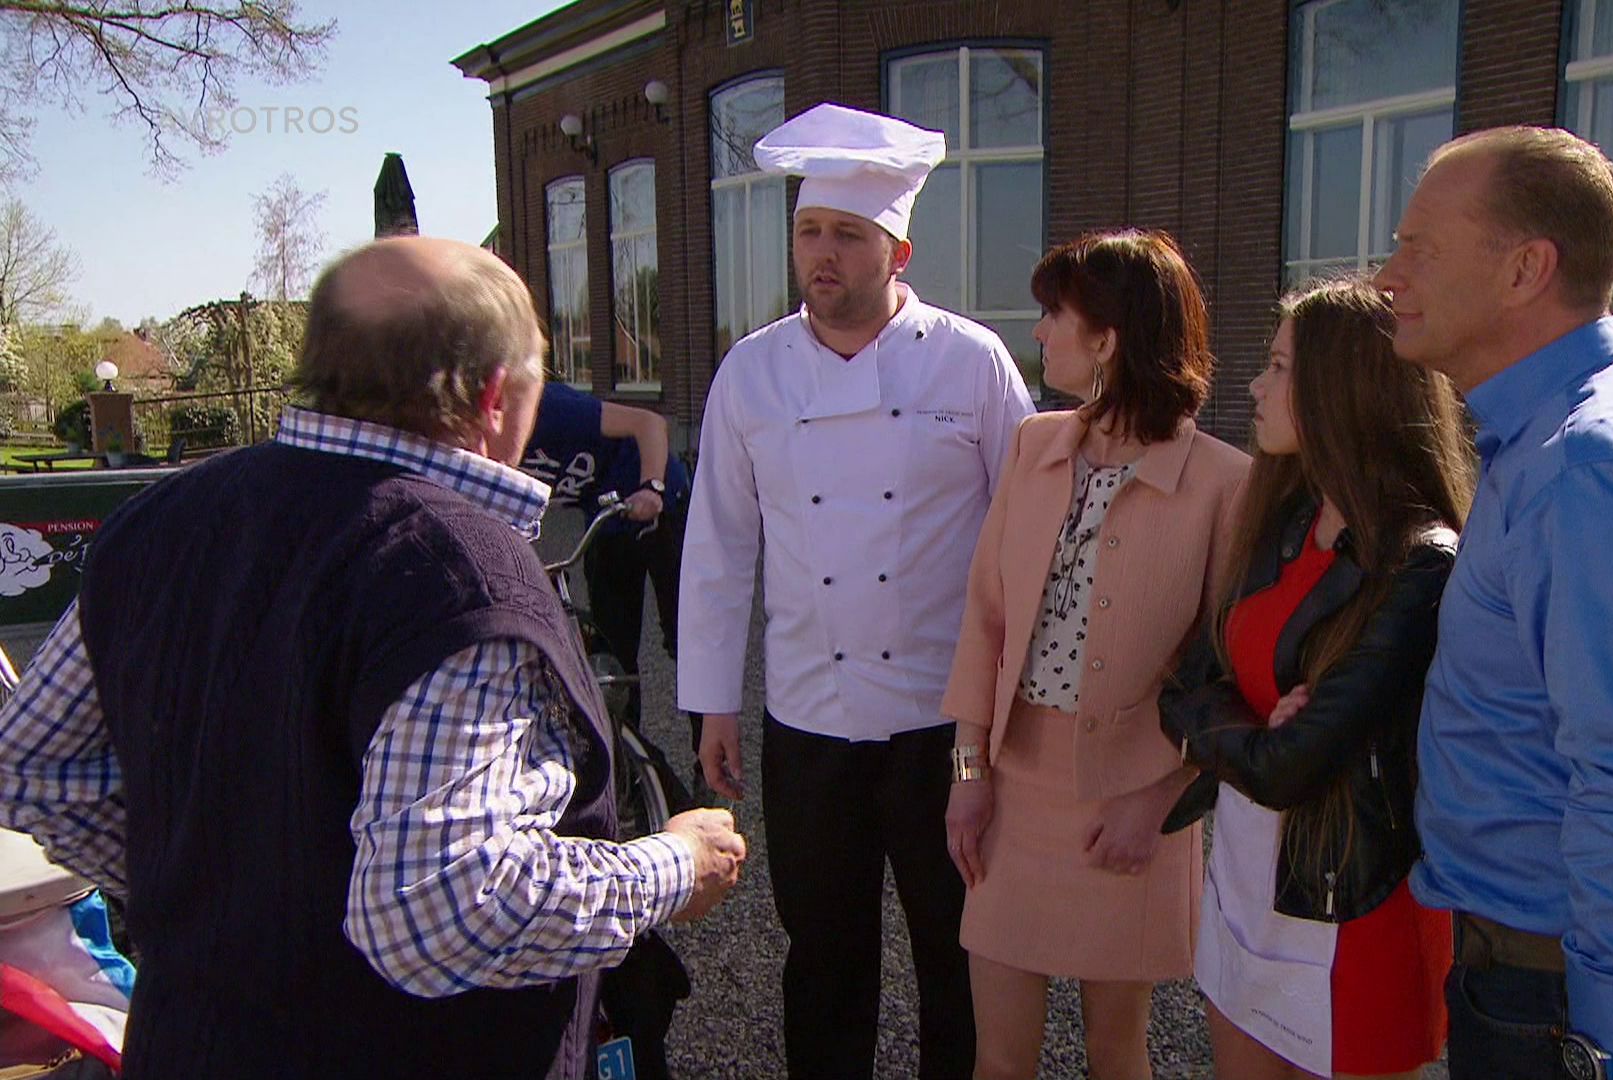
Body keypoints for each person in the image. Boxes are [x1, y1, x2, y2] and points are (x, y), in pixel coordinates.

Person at [0, 236, 747, 1080]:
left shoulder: (157, 520)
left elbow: (33, 767)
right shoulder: (453, 571)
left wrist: (213, 892)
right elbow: (445, 908)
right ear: (495, 395)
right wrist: (670, 867)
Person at [1374, 126, 1613, 1080]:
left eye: (1420, 248)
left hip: (1565, 1000)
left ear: (1526, 270)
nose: (1388, 277)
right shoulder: (1558, 439)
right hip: (1548, 982)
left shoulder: (1584, 464)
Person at [677, 103, 1034, 1079]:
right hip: (808, 719)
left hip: (944, 723)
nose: (822, 254)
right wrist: (712, 701)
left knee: (958, 952)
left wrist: (1019, 710)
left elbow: (1025, 536)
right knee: (824, 957)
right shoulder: (750, 373)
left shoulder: (972, 361)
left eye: (846, 234)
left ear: (897, 252)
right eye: (808, 232)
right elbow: (718, 545)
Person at [939, 228, 1249, 1080]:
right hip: (1011, 794)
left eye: (1055, 314)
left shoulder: (1226, 483)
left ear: (1108, 338)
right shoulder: (1032, 446)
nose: (1039, 333)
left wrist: (1158, 800)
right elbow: (985, 621)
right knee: (999, 1060)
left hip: (1133, 802)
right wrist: (967, 772)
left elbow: (1231, 674)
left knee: (1117, 1055)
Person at [1156, 277, 1472, 1080]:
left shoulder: (1419, 563)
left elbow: (1292, 767)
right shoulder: (1283, 517)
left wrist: (1229, 733)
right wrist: (1250, 730)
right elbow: (1183, 686)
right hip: (1243, 884)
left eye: (1278, 366)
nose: (1255, 387)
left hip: (1348, 912)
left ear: (1343, 387)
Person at [519, 382, 706, 803]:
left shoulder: (550, 409)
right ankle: (630, 774)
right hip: (607, 519)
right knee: (610, 655)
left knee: (687, 637)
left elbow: (650, 424)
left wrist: (652, 488)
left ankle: (708, 762)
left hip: (661, 504)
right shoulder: (490, 445)